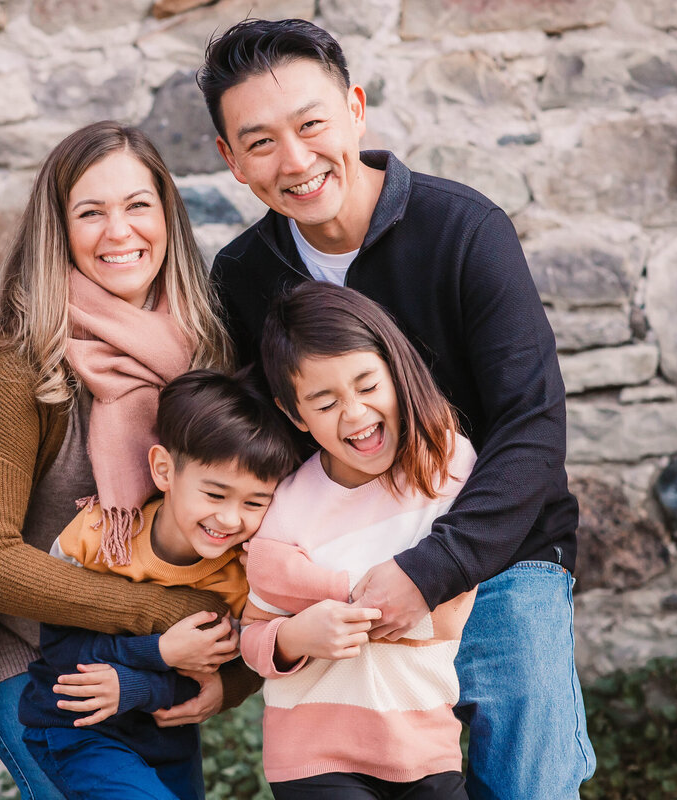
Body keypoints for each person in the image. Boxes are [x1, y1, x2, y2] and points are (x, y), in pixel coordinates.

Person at [198, 19, 595, 799]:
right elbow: (264, 448)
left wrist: (432, 569)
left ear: (355, 109)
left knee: (532, 784)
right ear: (232, 160)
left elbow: (532, 426)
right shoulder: (244, 275)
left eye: (312, 124)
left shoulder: (463, 230)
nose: (297, 160)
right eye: (262, 141)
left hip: (501, 553)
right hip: (346, 577)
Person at [0, 121, 260, 800]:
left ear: (167, 217)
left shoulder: (206, 350)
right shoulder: (15, 361)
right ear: (58, 231)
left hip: (143, 652)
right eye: (90, 212)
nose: (118, 232)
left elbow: (250, 527)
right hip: (21, 638)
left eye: (137, 206)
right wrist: (169, 615)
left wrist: (227, 674)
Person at [240, 283, 476, 800]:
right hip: (312, 754)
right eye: (325, 403)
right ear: (296, 415)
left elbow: (460, 591)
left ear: (396, 371)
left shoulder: (448, 464)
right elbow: (252, 634)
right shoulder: (289, 507)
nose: (355, 414)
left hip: (426, 744)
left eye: (368, 386)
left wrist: (349, 596)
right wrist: (296, 638)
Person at [18, 369, 298, 800]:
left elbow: (214, 673)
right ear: (164, 470)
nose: (230, 519)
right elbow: (59, 652)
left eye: (254, 502)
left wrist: (144, 685)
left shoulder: (242, 576)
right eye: (215, 494)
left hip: (169, 740)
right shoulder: (99, 537)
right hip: (79, 730)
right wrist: (160, 653)